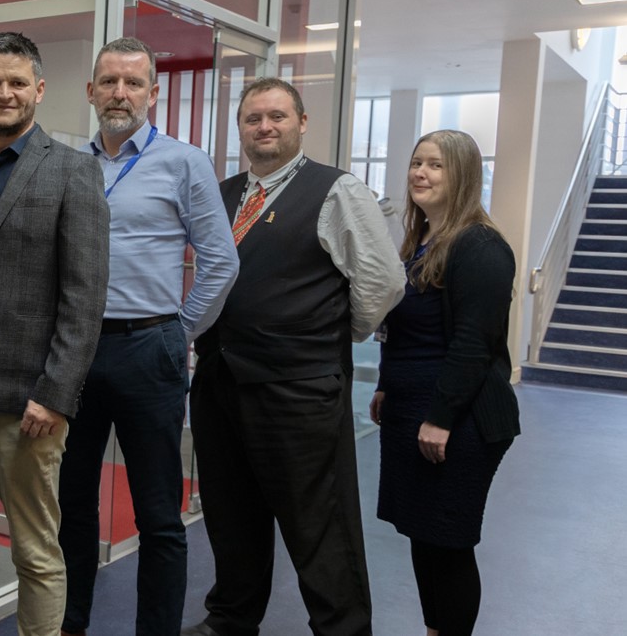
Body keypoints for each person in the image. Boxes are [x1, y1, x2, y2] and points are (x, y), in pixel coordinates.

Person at [185, 77, 404, 636]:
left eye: (277, 116)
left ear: (302, 123)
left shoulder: (338, 191)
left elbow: (382, 283)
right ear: (239, 128)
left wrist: (327, 332)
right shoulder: (223, 192)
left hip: (298, 390)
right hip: (220, 382)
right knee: (231, 516)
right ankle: (231, 619)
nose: (265, 127)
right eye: (253, 118)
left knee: (319, 524)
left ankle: (341, 629)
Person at [58, 37, 237, 636]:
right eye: (109, 81)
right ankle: (69, 624)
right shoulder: (68, 164)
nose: (120, 93)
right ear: (90, 92)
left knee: (159, 515)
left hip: (148, 349)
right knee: (73, 505)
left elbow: (220, 261)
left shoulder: (184, 162)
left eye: (133, 82)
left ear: (153, 94)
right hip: (75, 353)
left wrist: (177, 331)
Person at [0, 31, 109, 636]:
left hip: (27, 404)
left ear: (38, 89)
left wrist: (56, 393)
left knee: (36, 553)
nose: (3, 92)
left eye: (16, 82)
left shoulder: (74, 173)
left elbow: (84, 297)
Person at [370, 130, 519, 636]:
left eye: (436, 165)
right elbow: (407, 331)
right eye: (416, 162)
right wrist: (387, 386)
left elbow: (474, 345)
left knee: (449, 541)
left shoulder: (479, 246)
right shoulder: (421, 243)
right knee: (422, 534)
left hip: (462, 419)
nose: (420, 173)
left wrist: (440, 418)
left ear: (463, 176)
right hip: (413, 406)